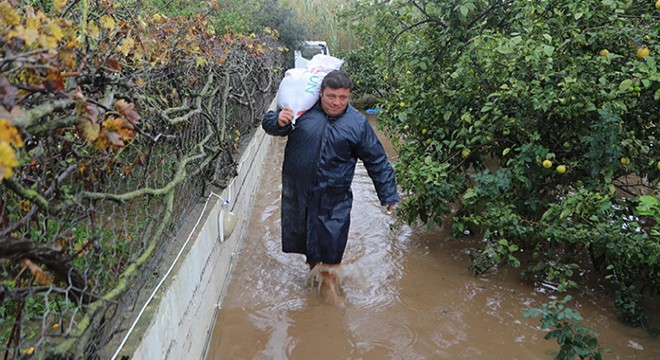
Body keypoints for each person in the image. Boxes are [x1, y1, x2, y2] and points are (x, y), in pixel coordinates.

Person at [262, 70, 399, 305]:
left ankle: (328, 283)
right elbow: (271, 125)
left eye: (343, 97)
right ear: (321, 93)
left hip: (334, 194)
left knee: (333, 240)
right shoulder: (302, 110)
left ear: (349, 97)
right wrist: (278, 120)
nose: (337, 103)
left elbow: (376, 159)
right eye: (331, 96)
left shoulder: (357, 124)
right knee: (305, 239)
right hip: (299, 190)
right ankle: (317, 274)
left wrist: (387, 193)